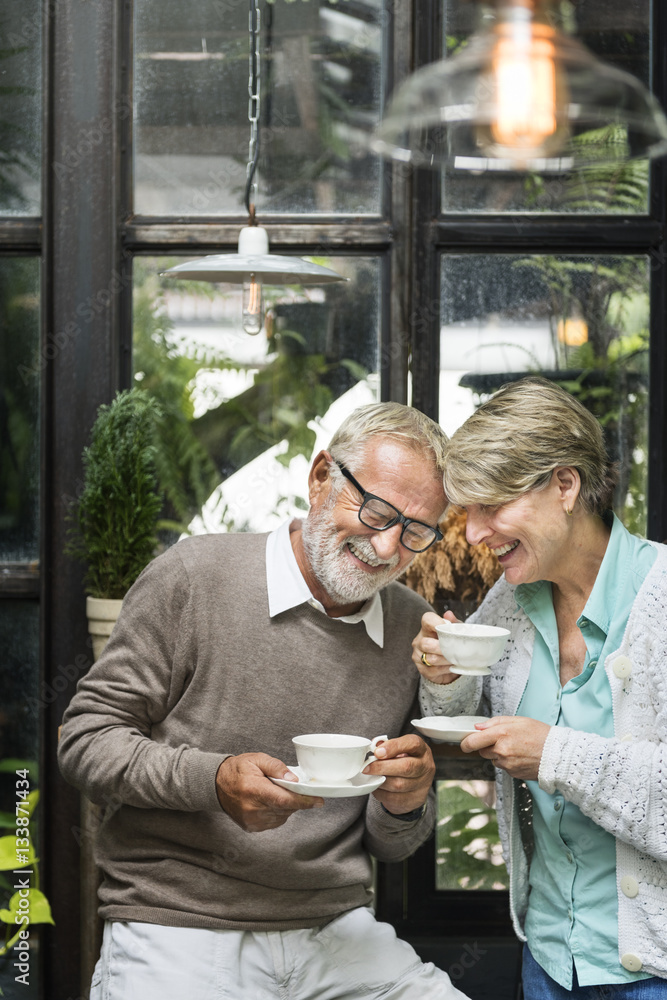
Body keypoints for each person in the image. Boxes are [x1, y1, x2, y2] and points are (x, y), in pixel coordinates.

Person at [58, 401, 471, 1000]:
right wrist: (215, 780)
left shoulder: (413, 627)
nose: (386, 548)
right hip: (177, 922)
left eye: (415, 532)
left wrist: (405, 802)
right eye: (377, 511)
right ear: (321, 476)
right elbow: (85, 742)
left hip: (336, 930)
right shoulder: (194, 576)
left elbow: (391, 843)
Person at [413, 377, 667, 999]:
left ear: (565, 485)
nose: (472, 533)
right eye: (466, 509)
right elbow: (467, 715)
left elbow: (546, 751)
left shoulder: (660, 597)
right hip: (549, 959)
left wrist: (554, 755)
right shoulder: (510, 601)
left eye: (491, 506)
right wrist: (445, 677)